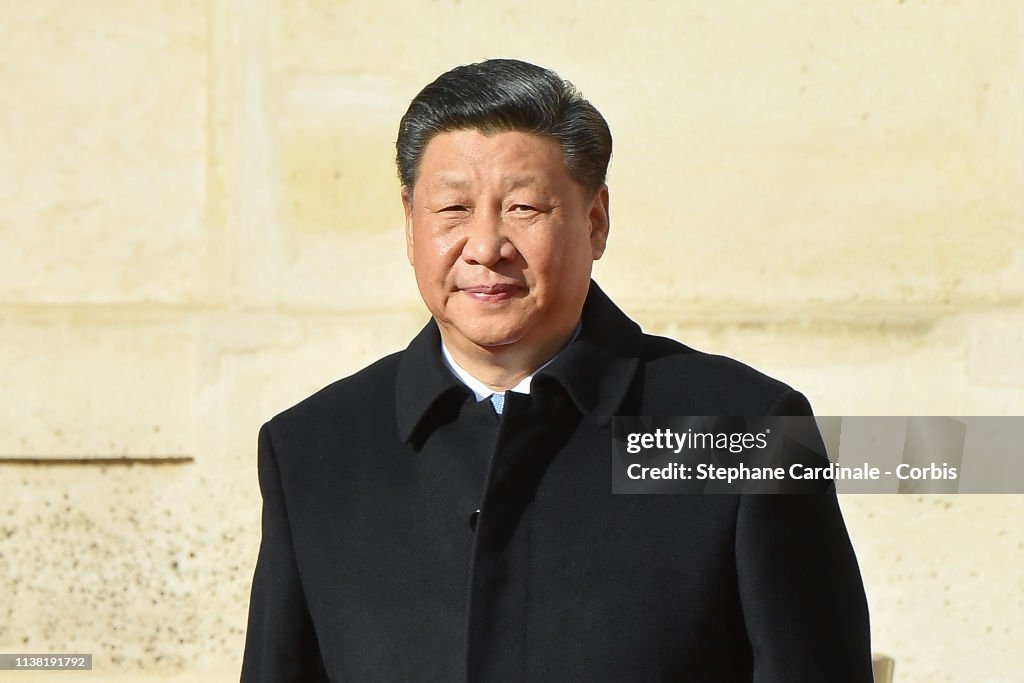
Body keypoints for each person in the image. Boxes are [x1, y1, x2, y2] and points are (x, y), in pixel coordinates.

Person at [240, 58, 873, 682]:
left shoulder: (748, 431)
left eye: (523, 209)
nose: (485, 248)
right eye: (452, 210)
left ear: (594, 222)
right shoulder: (312, 451)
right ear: (410, 225)